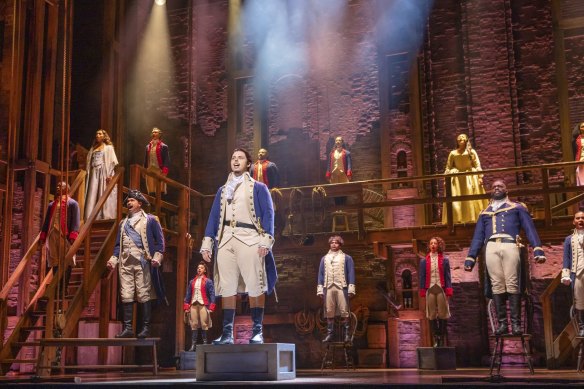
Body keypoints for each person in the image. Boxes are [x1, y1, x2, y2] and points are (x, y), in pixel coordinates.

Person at [200, 148, 277, 345]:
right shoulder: (222, 190)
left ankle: (257, 331)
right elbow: (213, 217)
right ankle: (227, 333)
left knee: (255, 283)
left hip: (250, 237)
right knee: (227, 286)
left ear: (248, 164)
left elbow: (268, 214)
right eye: (233, 158)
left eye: (240, 158)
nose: (236, 161)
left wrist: (266, 240)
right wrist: (207, 243)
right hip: (225, 238)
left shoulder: (258, 187)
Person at [464, 179, 546, 335]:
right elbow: (477, 237)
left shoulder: (516, 208)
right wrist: (471, 258)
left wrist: (537, 249)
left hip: (510, 244)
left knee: (512, 282)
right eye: (494, 186)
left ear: (506, 190)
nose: (496, 188)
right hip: (491, 247)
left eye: (500, 186)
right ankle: (502, 324)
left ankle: (516, 324)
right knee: (496, 284)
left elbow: (530, 228)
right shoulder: (484, 213)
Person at [107, 190, 166, 338]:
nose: (129, 203)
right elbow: (117, 246)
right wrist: (113, 260)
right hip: (126, 262)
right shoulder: (123, 223)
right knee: (126, 294)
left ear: (140, 203)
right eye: (128, 201)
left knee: (143, 294)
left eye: (132, 200)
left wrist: (157, 258)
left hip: (142, 262)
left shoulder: (151, 220)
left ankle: (145, 328)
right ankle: (128, 328)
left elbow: (160, 243)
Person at [39, 181, 80, 295]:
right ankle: (57, 285)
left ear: (67, 188)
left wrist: (73, 235)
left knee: (66, 261)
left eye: (60, 185)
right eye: (56, 185)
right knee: (55, 260)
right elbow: (47, 221)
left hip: (64, 235)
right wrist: (43, 235)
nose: (57, 187)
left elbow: (75, 220)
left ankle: (64, 286)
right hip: (52, 234)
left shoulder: (72, 203)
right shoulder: (52, 205)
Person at [442, 134, 488, 224]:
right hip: (457, 179)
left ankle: (473, 217)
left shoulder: (471, 152)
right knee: (456, 200)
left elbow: (477, 165)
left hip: (469, 177)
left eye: (463, 139)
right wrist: (445, 179)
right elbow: (448, 167)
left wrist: (480, 177)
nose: (461, 140)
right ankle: (457, 218)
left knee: (470, 197)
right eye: (459, 139)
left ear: (466, 140)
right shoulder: (453, 153)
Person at [317, 235, 355, 344]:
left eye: (336, 242)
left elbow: (350, 273)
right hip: (328, 287)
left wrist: (351, 288)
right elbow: (320, 274)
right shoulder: (324, 258)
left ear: (340, 244)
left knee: (344, 310)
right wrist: (320, 289)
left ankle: (347, 335)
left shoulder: (347, 258)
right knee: (329, 311)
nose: (334, 244)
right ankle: (330, 334)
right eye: (332, 242)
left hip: (341, 286)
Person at [419, 237, 452, 347]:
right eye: (431, 243)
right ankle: (435, 337)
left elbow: (447, 276)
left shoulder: (444, 260)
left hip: (440, 288)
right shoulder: (424, 261)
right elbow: (422, 276)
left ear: (438, 245)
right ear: (429, 245)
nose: (433, 245)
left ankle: (441, 337)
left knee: (443, 313)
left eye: (435, 243)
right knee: (431, 314)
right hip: (430, 288)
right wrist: (422, 290)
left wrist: (448, 289)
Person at [85, 129, 118, 220]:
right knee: (92, 193)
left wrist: (110, 174)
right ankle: (90, 216)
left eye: (99, 134)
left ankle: (102, 216)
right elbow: (89, 162)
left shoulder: (108, 148)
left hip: (103, 171)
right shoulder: (93, 149)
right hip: (93, 173)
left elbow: (112, 162)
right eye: (96, 134)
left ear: (104, 136)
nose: (97, 135)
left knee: (102, 191)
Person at [183, 262, 216, 351]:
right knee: (194, 324)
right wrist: (186, 306)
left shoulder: (208, 281)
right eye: (198, 268)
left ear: (204, 270)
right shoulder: (192, 281)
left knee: (204, 324)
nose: (199, 269)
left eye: (201, 268)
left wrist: (212, 306)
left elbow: (212, 294)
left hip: (203, 304)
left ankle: (205, 344)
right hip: (193, 304)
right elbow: (188, 294)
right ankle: (193, 345)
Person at [561, 211, 584, 337]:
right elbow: (566, 258)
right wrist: (566, 274)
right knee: (579, 300)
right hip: (578, 273)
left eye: (583, 218)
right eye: (578, 218)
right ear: (574, 221)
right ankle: (582, 326)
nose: (581, 220)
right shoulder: (569, 239)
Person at [144, 127, 170, 195]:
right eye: (153, 132)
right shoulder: (148, 146)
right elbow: (146, 159)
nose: (154, 133)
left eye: (155, 132)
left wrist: (165, 170)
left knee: (160, 190)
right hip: (150, 169)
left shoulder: (164, 146)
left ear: (159, 134)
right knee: (151, 190)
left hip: (159, 169)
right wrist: (144, 169)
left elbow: (166, 159)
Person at [572, 122, 584, 188]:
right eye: (582, 126)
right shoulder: (577, 140)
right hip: (581, 162)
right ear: (579, 129)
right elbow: (575, 152)